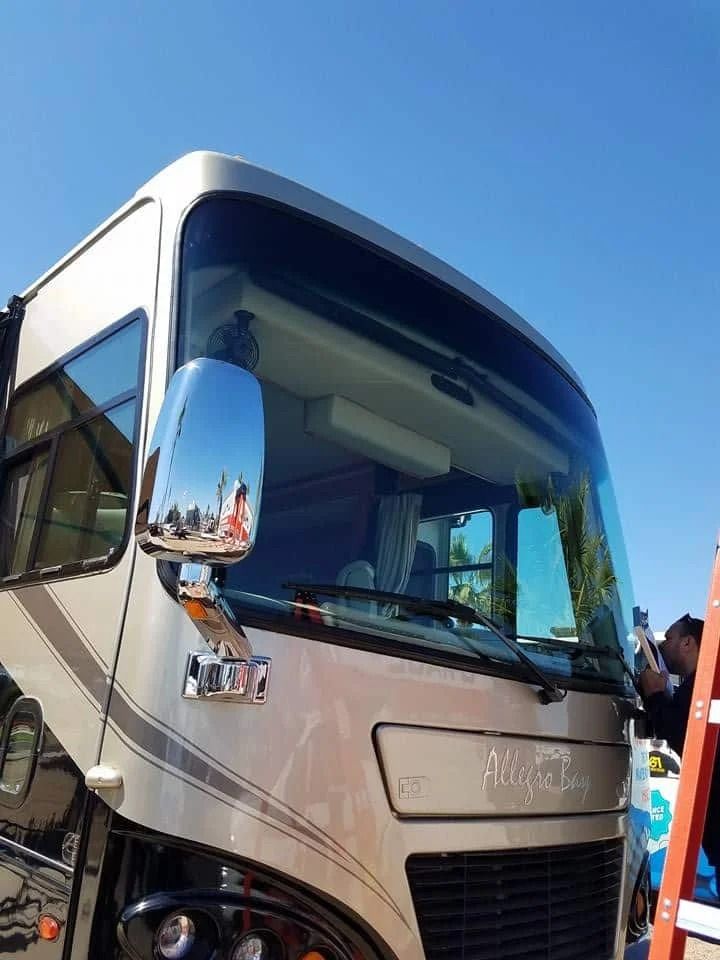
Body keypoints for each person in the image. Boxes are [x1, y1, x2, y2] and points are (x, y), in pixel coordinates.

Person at [639, 613, 720, 898]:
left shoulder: (701, 688)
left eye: (669, 639)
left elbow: (683, 734)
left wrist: (655, 696)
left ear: (688, 642)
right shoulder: (696, 685)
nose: (662, 647)